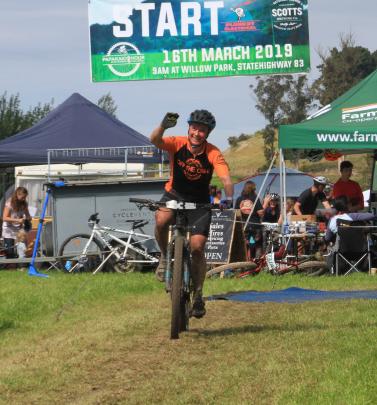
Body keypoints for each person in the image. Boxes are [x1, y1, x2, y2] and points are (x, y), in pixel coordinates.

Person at [150, 110, 233, 318]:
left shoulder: (213, 153)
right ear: (188, 128)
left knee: (197, 247)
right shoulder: (176, 143)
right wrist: (163, 125)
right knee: (161, 219)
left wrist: (228, 199)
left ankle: (198, 294)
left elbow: (226, 179)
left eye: (202, 130)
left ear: (208, 133)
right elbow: (154, 140)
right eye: (194, 128)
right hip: (174, 193)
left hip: (199, 202)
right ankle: (163, 257)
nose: (197, 133)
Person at [235, 180, 264, 259]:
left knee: (246, 244)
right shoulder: (255, 198)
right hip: (255, 225)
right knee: (256, 244)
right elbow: (260, 212)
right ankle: (255, 261)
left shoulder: (239, 199)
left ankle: (245, 261)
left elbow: (236, 213)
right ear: (253, 188)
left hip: (244, 225)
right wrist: (265, 204)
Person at [2, 187, 31, 259]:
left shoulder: (24, 204)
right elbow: (4, 218)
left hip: (19, 230)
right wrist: (18, 220)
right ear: (17, 195)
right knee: (10, 251)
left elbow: (28, 215)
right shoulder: (9, 203)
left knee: (22, 248)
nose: (24, 199)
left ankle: (22, 266)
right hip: (8, 229)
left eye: (25, 197)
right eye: (23, 197)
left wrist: (28, 218)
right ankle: (10, 268)